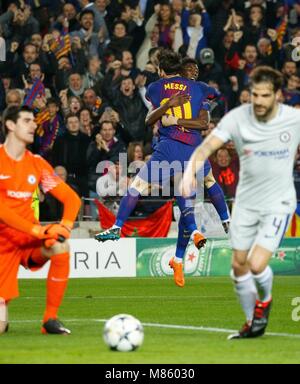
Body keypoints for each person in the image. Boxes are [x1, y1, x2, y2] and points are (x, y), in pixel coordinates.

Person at [181, 66, 300, 339]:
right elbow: (205, 148)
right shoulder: (237, 118)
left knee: (256, 265)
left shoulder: (293, 119)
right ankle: (251, 323)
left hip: (277, 203)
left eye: (264, 96)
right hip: (246, 204)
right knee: (238, 266)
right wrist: (189, 172)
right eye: (254, 95)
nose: (258, 101)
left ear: (277, 95)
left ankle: (265, 301)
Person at [94, 51, 218, 288]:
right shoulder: (197, 89)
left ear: (160, 70)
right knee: (187, 199)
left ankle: (119, 227)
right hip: (190, 149)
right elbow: (211, 103)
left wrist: (169, 106)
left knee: (141, 187)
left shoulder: (156, 87)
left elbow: (150, 118)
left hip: (169, 149)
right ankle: (180, 255)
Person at [0, 106, 81, 336]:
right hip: (3, 243)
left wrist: (65, 226)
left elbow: (71, 199)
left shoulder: (37, 163)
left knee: (60, 245)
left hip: (28, 240)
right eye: (27, 121)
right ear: (10, 125)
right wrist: (37, 230)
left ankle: (49, 319)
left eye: (34, 121)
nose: (34, 125)